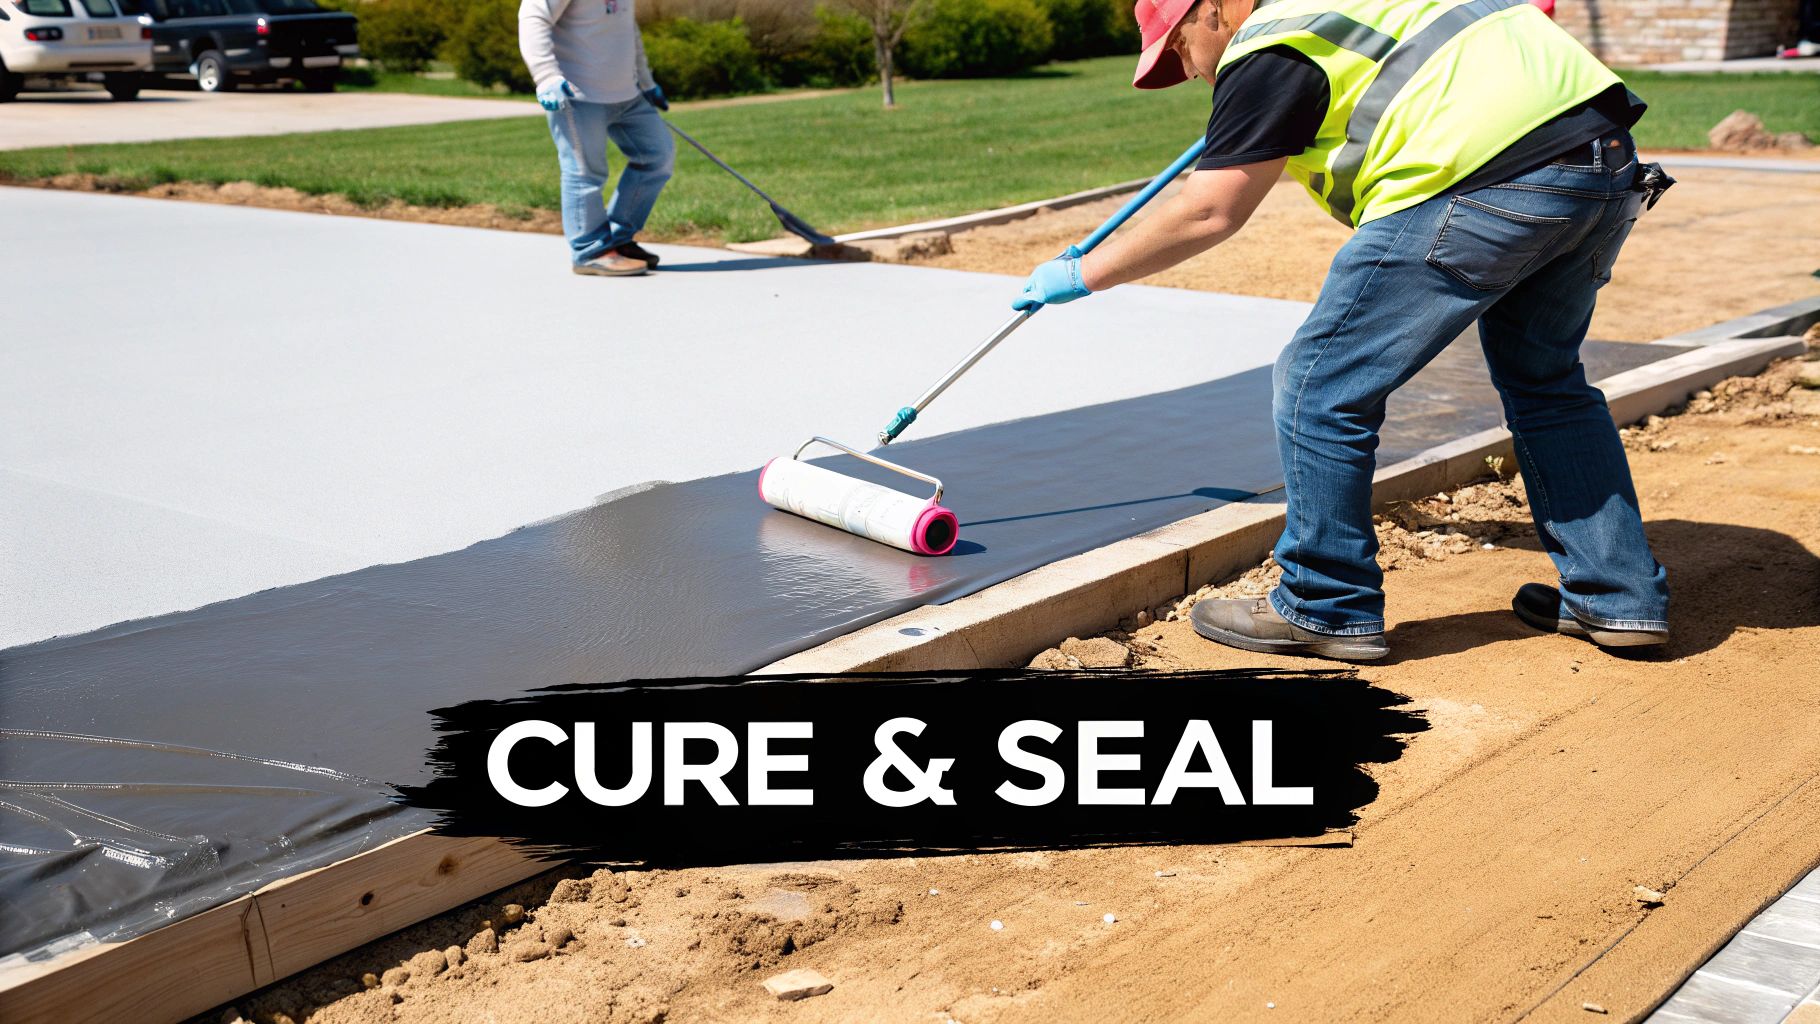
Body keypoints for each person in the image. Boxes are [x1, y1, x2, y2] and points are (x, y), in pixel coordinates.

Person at [1015, 0, 1675, 661]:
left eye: (1177, 49)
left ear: (1212, 7)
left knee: (1320, 383)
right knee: (1547, 383)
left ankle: (1324, 604)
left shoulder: (1271, 45)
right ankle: (1618, 598)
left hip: (1484, 179)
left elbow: (1210, 210)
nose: (1187, 71)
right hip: (1603, 165)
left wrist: (1084, 274)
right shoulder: (1343, 13)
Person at [519, 0, 674, 277]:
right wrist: (545, 77)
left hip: (628, 95)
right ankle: (590, 250)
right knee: (585, 172)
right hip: (577, 94)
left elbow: (628, 31)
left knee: (658, 157)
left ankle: (618, 238)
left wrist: (647, 82)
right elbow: (533, 17)